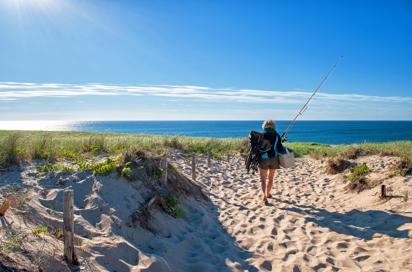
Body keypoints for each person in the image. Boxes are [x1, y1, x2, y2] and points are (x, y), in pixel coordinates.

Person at [259, 119, 283, 205]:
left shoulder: (261, 135)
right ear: (274, 127)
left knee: (262, 178)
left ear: (264, 126)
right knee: (270, 177)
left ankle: (263, 194)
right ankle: (268, 194)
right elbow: (279, 148)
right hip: (274, 158)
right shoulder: (277, 136)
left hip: (264, 158)